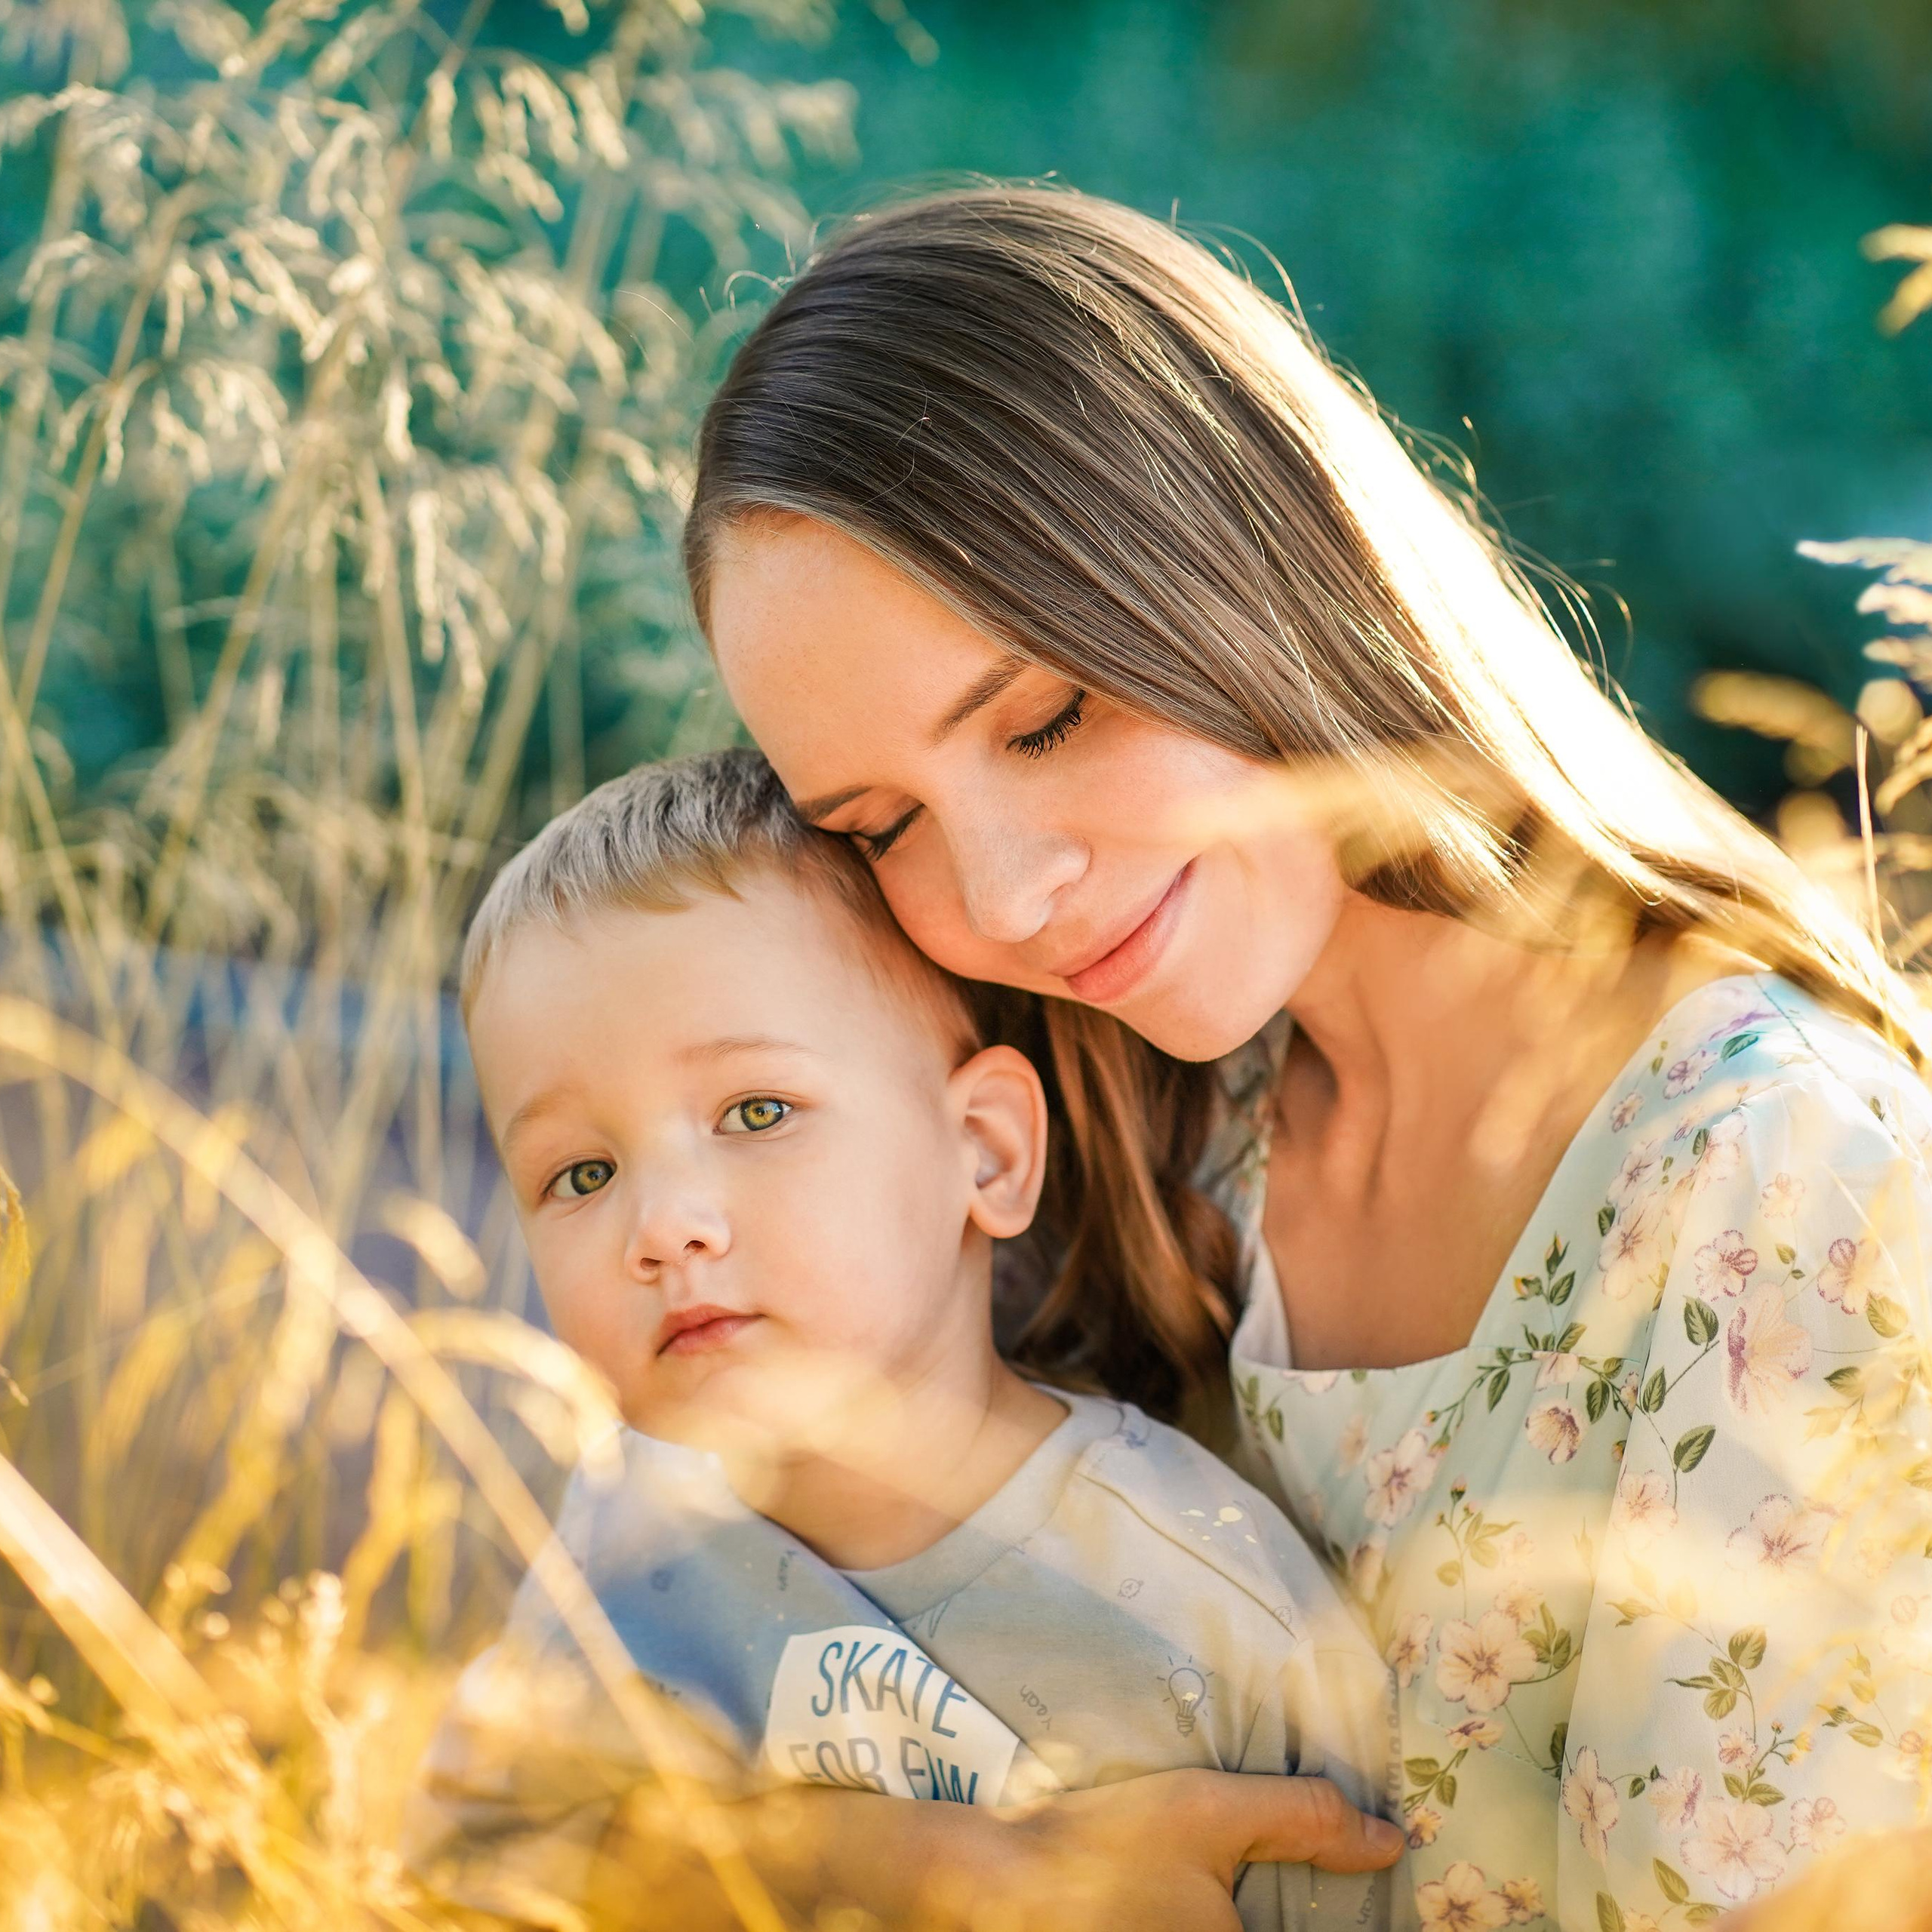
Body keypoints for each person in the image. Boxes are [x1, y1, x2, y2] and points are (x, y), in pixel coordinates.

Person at [671, 184, 1932, 1930]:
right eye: (881, 824)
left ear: (1250, 555)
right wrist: (952, 1870)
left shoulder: (1792, 1191)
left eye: (1046, 717)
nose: (1006, 893)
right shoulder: (1119, 1135)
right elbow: (538, 1754)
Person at [407, 748, 1403, 1932]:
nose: (661, 1227)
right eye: (581, 1173)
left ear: (985, 1151)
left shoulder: (1203, 1600)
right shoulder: (622, 1532)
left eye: (756, 1111)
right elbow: (464, 1872)